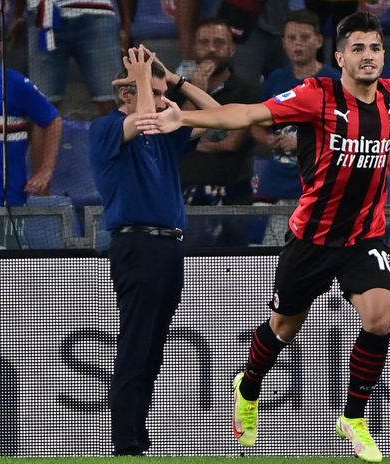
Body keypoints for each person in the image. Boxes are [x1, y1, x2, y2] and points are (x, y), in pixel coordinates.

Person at [136, 11, 390, 462]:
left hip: (362, 239)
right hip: (310, 239)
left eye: (374, 48)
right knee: (283, 328)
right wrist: (186, 118)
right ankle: (248, 385)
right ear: (339, 56)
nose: (367, 56)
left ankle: (353, 418)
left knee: (380, 315)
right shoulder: (317, 96)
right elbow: (248, 113)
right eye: (357, 49)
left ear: (383, 55)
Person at [88, 45, 219, 455]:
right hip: (137, 243)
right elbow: (143, 122)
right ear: (126, 95)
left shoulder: (166, 137)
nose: (165, 105)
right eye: (156, 95)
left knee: (152, 348)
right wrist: (145, 79)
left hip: (168, 248)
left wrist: (178, 82)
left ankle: (136, 438)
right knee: (135, 345)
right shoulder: (106, 129)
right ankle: (125, 441)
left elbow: (218, 116)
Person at [175, 18, 260, 246]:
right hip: (183, 195)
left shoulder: (248, 91)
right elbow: (175, 133)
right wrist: (196, 91)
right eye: (204, 42)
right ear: (193, 48)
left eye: (219, 42)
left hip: (233, 197)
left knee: (235, 269)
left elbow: (231, 142)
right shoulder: (173, 92)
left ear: (232, 49)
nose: (211, 49)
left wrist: (191, 141)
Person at [252, 8, 340, 202]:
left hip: (319, 186)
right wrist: (268, 139)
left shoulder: (336, 82)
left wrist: (305, 143)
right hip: (275, 184)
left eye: (304, 37)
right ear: (283, 43)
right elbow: (255, 123)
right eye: (291, 38)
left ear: (318, 40)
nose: (297, 43)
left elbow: (350, 132)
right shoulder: (276, 79)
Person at [0, 17, 62, 247]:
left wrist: (45, 171)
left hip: (5, 203)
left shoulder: (14, 84)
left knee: (4, 275)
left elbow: (52, 121)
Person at [12, 0, 122, 116]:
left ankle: (114, 133)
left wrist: (127, 24)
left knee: (112, 98)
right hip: (43, 16)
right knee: (42, 103)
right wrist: (18, 14)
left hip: (96, 12)